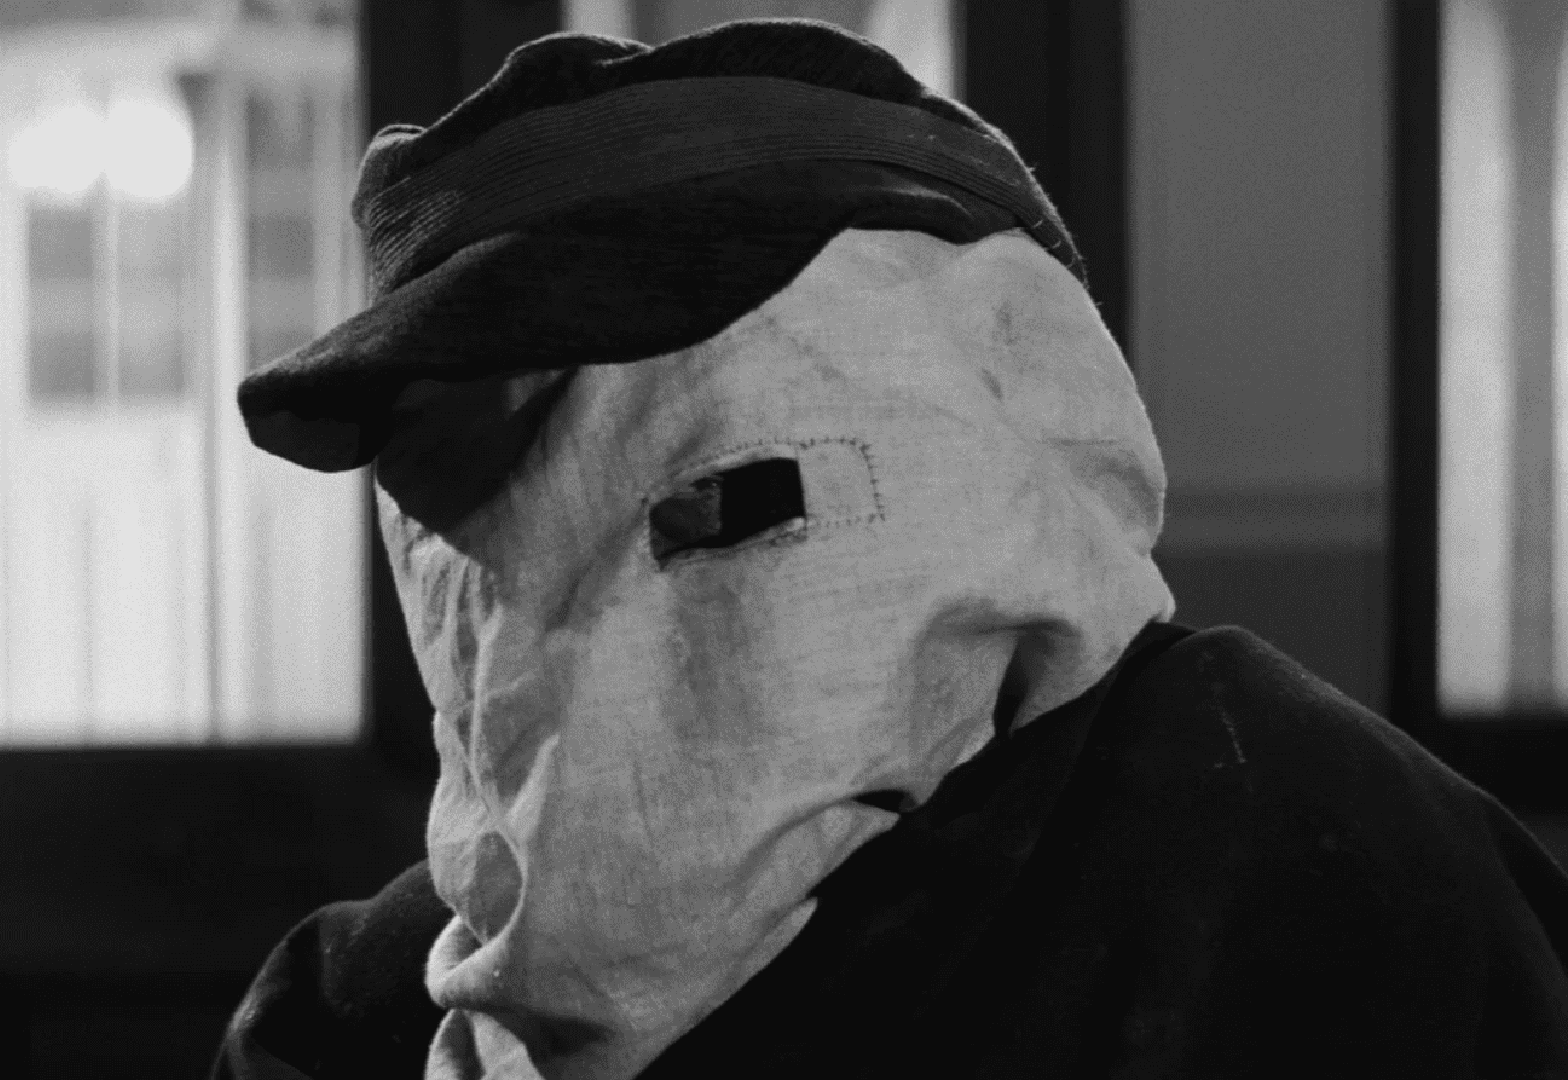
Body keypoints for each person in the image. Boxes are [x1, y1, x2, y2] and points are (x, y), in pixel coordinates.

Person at [214, 18, 1568, 1080]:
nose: (585, 627)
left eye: (724, 504)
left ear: (1009, 422)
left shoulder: (1311, 880)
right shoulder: (349, 1014)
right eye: (483, 541)